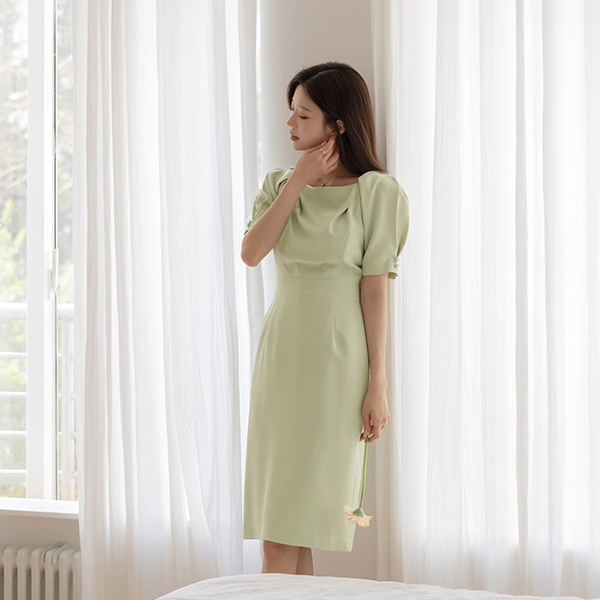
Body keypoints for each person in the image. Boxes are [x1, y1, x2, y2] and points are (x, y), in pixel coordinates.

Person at [241, 62, 409, 576]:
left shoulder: (378, 192)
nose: (289, 123)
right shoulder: (279, 184)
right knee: (285, 529)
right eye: (290, 112)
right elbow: (251, 253)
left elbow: (374, 293)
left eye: (303, 114)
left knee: (300, 524)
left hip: (338, 360)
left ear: (336, 124)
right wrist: (298, 180)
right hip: (283, 351)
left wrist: (378, 384)